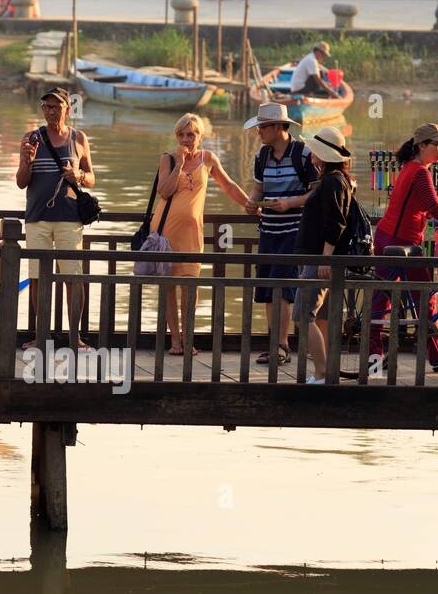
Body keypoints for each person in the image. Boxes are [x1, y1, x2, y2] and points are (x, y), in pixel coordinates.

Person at [368, 124, 438, 374]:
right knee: (420, 298)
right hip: (400, 243)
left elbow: (425, 208)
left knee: (386, 299)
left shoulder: (411, 168)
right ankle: (430, 355)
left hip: (389, 237)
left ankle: (378, 357)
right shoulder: (420, 173)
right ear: (422, 146)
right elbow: (433, 207)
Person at [151, 113, 250, 355]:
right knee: (168, 286)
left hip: (192, 233)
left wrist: (250, 205)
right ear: (176, 136)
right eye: (182, 134)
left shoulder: (209, 159)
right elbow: (164, 192)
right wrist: (180, 164)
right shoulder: (168, 160)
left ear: (201, 136)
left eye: (191, 134)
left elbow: (228, 186)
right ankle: (175, 340)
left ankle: (187, 338)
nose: (186, 139)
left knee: (190, 288)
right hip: (165, 232)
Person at [16, 87, 95, 347]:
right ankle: (41, 336)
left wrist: (79, 177)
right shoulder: (31, 138)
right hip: (37, 216)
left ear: (67, 109)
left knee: (73, 277)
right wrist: (27, 162)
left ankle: (75, 337)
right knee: (39, 277)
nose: (51, 111)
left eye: (56, 107)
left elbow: (91, 178)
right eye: (47, 107)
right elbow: (20, 182)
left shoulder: (78, 138)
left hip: (70, 218)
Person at [244, 101, 318, 365]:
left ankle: (282, 345)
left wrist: (290, 203)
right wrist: (252, 203)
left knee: (282, 288)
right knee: (266, 287)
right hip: (268, 230)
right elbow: (258, 189)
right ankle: (274, 342)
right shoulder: (261, 156)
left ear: (278, 127)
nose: (259, 132)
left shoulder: (303, 153)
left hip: (294, 231)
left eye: (263, 127)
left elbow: (316, 192)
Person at [292, 126, 355, 384]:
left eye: (314, 153)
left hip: (319, 259)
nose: (311, 156)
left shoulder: (332, 181)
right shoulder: (335, 180)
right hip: (316, 258)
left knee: (302, 315)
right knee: (310, 316)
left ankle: (322, 372)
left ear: (323, 155)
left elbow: (335, 223)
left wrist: (325, 259)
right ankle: (323, 371)